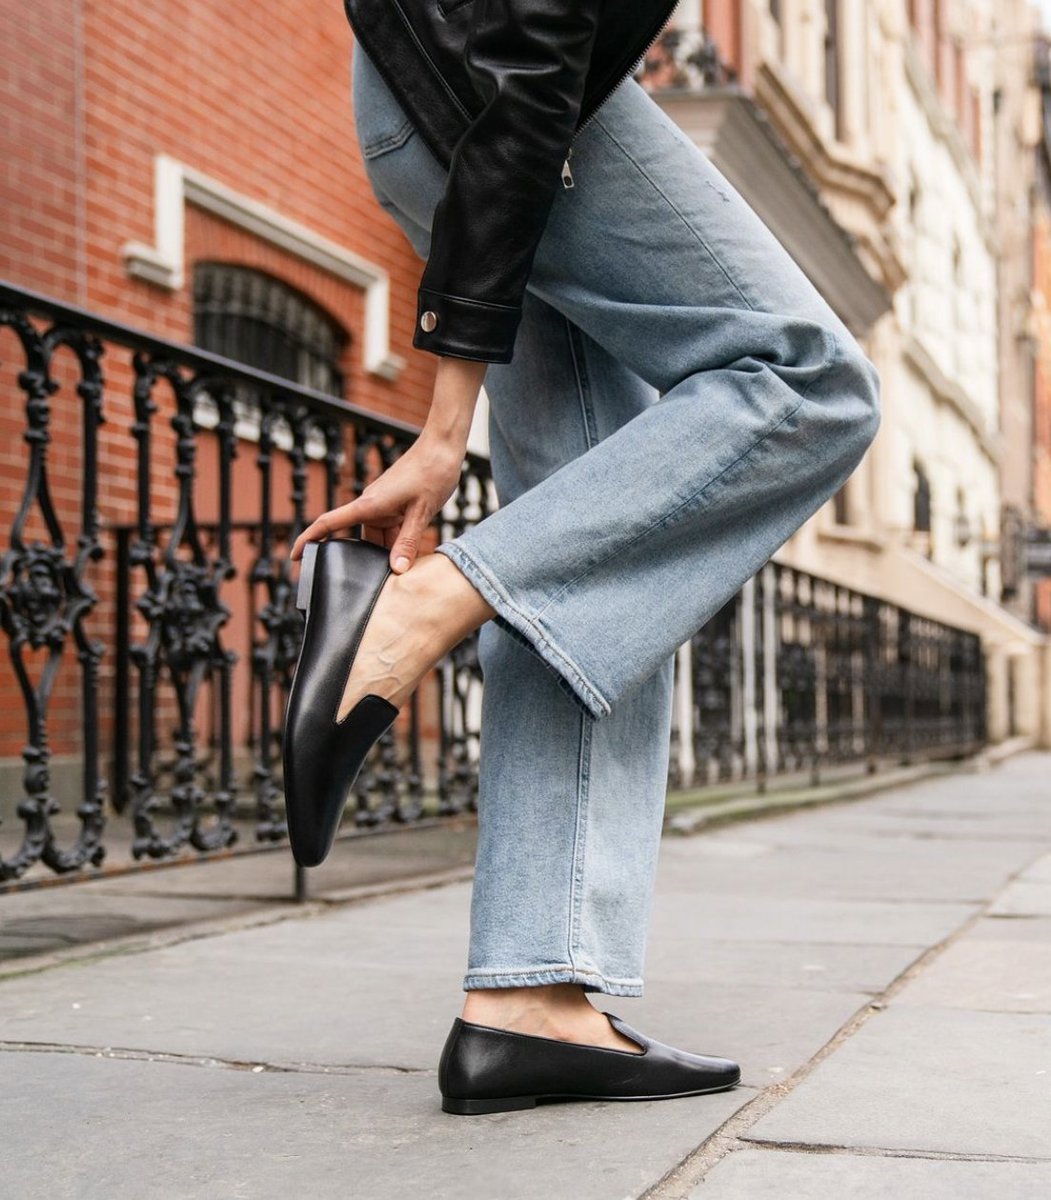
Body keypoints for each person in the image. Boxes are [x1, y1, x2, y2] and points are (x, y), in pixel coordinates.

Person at [284, 0, 881, 1115]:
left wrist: (448, 415)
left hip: (473, 110)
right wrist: (451, 470)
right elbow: (529, 45)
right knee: (809, 383)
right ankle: (419, 610)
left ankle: (531, 1000)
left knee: (594, 570)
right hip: (503, 112)